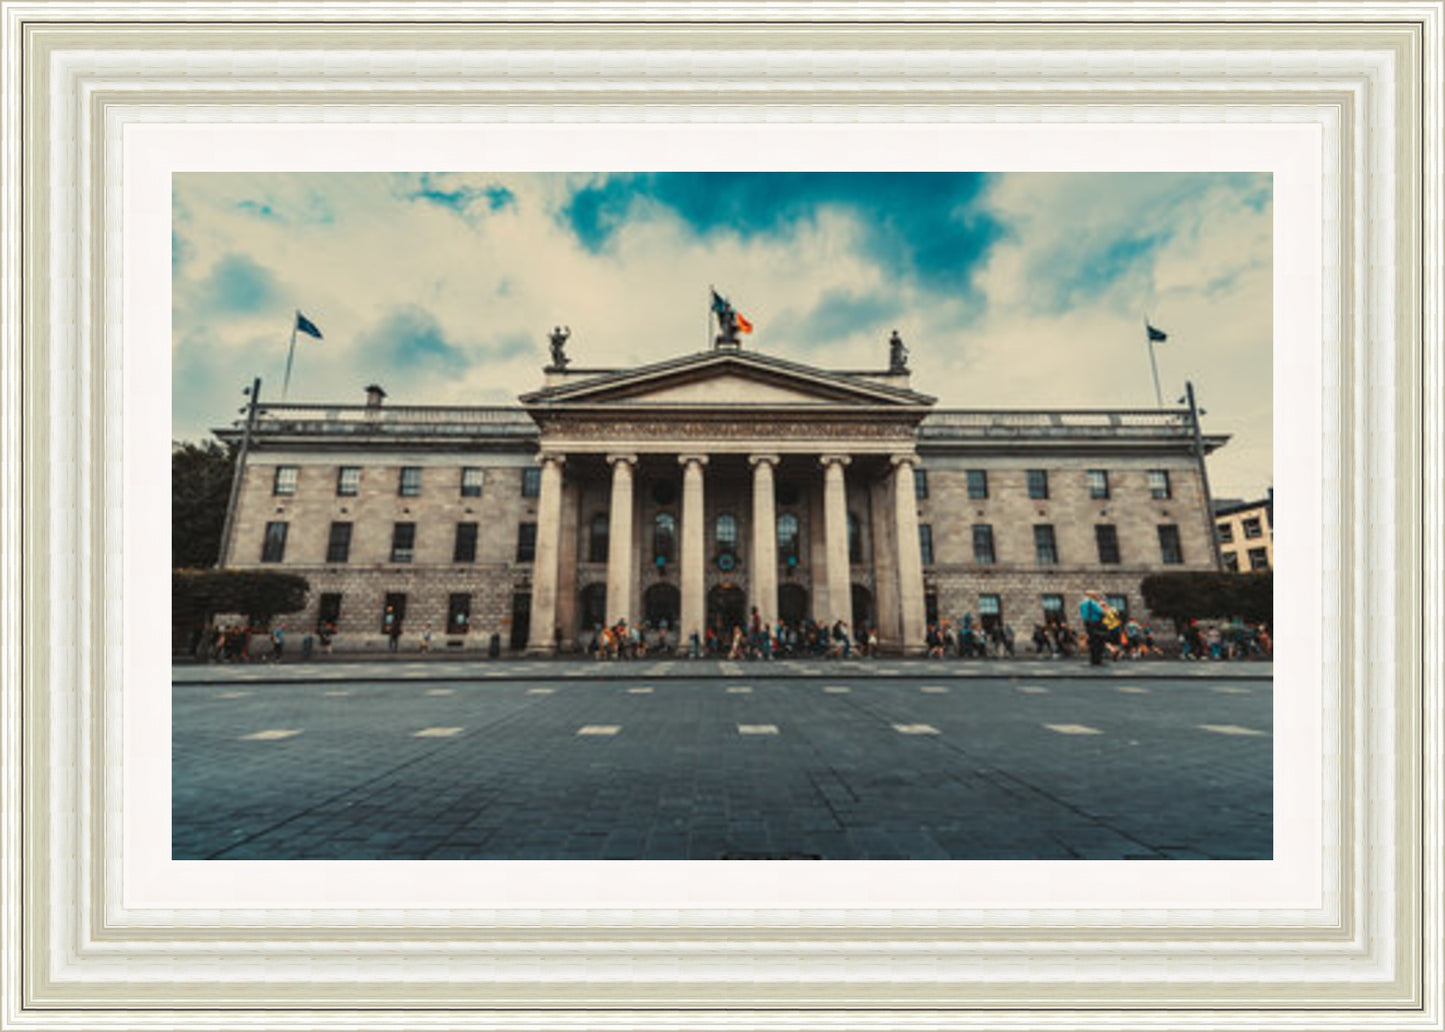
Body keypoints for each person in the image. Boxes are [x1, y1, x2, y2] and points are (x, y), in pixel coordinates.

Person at [1079, 590, 1107, 666]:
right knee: (1099, 641)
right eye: (1095, 595)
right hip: (1096, 623)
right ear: (1092, 595)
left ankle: (1093, 659)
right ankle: (1098, 660)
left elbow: (1082, 615)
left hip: (1088, 624)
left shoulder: (1082, 604)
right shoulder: (1093, 603)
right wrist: (1102, 607)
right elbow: (1102, 613)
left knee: (1092, 641)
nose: (1096, 596)